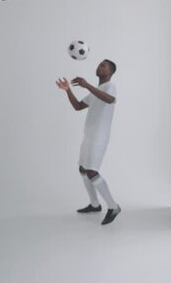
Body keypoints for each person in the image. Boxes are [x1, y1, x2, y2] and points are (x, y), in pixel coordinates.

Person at [56, 59, 121, 225]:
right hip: (89, 136)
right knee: (83, 169)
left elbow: (109, 99)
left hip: (99, 137)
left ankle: (113, 207)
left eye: (104, 65)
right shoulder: (95, 91)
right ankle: (94, 205)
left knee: (92, 172)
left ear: (111, 72)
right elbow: (78, 106)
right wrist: (68, 90)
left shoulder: (109, 86)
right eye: (99, 64)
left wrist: (87, 85)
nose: (99, 66)